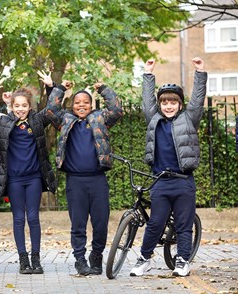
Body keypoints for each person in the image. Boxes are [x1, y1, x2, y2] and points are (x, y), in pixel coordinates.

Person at [130, 57, 207, 277]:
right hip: (160, 181)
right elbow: (147, 101)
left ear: (180, 105)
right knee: (155, 223)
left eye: (173, 102)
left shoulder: (189, 119)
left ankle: (182, 261)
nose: (168, 106)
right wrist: (148, 73)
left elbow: (198, 100)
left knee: (183, 226)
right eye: (164, 102)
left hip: (183, 182)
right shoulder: (154, 119)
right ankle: (144, 259)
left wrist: (200, 73)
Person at [41, 70, 123, 276]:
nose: (81, 105)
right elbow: (51, 109)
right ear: (72, 105)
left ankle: (96, 256)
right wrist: (59, 89)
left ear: (92, 104)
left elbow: (117, 110)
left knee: (101, 224)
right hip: (75, 181)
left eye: (85, 102)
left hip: (97, 180)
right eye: (77, 102)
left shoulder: (100, 119)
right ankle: (80, 259)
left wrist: (103, 89)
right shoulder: (65, 121)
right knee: (78, 224)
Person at [0, 77, 57, 275]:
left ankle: (36, 259)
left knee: (33, 218)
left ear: (30, 107)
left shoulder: (37, 121)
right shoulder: (4, 123)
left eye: (24, 105)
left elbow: (52, 109)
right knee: (18, 219)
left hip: (33, 179)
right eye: (17, 105)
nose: (20, 109)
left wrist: (50, 87)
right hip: (14, 179)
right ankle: (23, 259)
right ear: (11, 107)